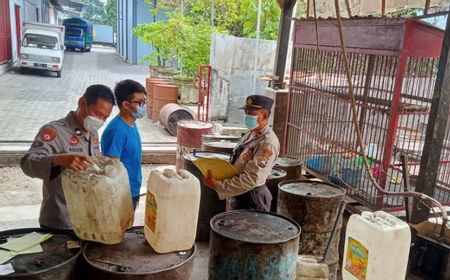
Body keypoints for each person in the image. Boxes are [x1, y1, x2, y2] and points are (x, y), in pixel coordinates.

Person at [20, 84, 115, 230]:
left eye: (105, 117)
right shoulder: (54, 131)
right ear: (82, 103)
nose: (100, 120)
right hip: (60, 221)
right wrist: (58, 159)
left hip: (86, 217)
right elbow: (27, 163)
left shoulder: (93, 132)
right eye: (97, 113)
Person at [204, 95, 280, 211]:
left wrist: (218, 185)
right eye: (246, 111)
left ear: (264, 115)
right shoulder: (251, 133)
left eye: (251, 113)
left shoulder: (267, 143)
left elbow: (251, 178)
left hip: (253, 199)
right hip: (240, 192)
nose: (246, 116)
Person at [101, 79, 146, 211]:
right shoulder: (117, 130)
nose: (144, 106)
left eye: (145, 101)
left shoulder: (132, 123)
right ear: (126, 104)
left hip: (133, 188)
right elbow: (112, 168)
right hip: (121, 193)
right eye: (140, 102)